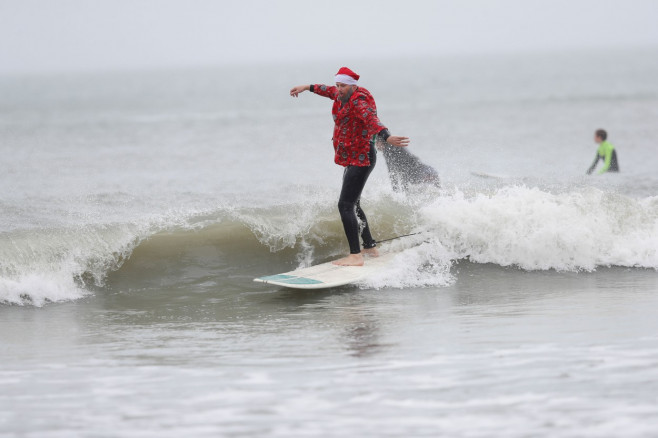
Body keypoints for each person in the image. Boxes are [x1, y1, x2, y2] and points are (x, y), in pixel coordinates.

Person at [290, 67, 410, 266]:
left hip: (362, 159)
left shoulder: (359, 102)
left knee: (345, 205)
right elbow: (326, 90)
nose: (339, 89)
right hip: (354, 157)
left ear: (353, 86)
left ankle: (355, 256)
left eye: (343, 86)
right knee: (353, 204)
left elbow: (372, 120)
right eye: (338, 85)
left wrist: (387, 136)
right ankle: (370, 247)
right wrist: (306, 87)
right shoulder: (340, 94)